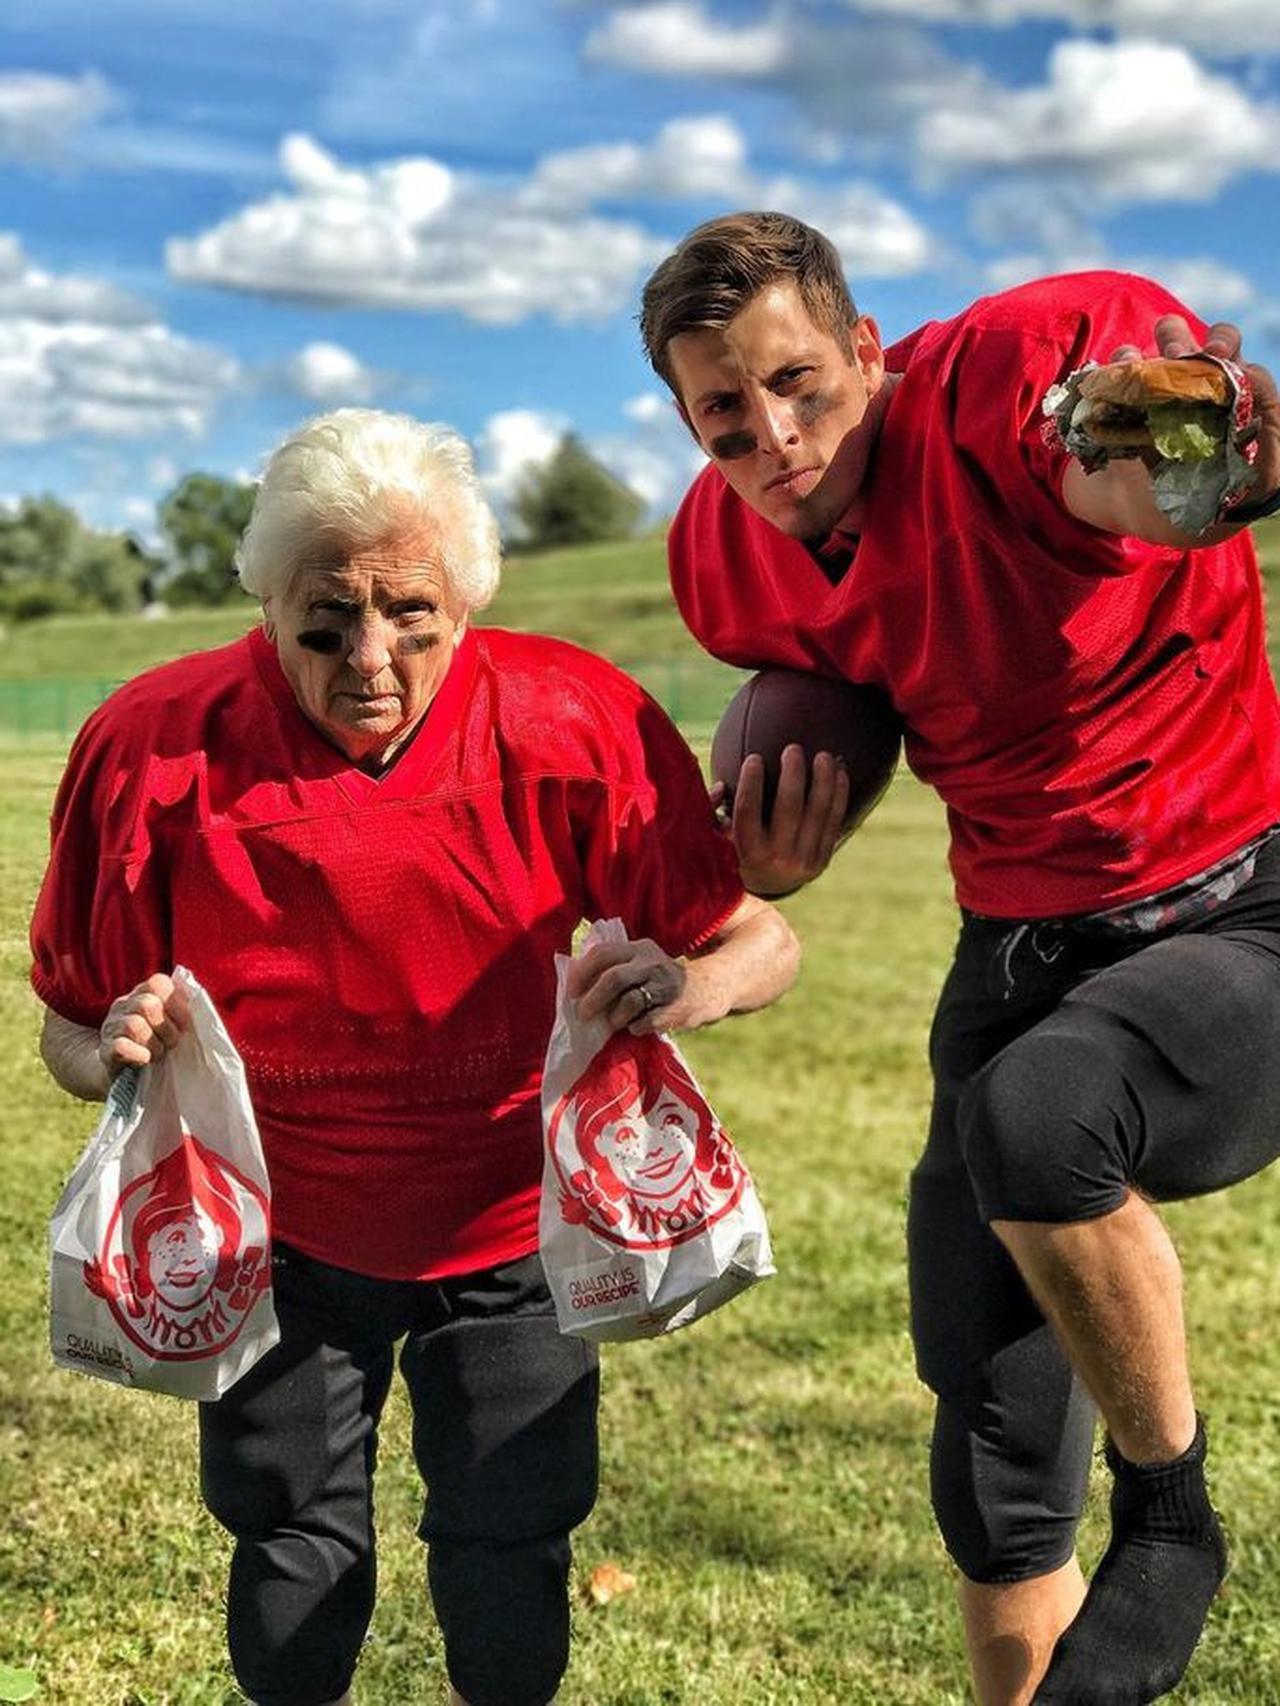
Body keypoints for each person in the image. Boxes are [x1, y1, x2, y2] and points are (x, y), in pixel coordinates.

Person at [31, 408, 800, 1706]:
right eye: (326, 622)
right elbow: (65, 1020)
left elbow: (757, 938)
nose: (371, 660)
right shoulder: (151, 746)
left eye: (413, 615)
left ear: (469, 601)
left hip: (510, 1217)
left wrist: (693, 984)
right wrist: (109, 1044)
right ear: (266, 598)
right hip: (276, 1219)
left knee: (512, 1534)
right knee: (289, 1531)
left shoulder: (574, 717)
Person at [639, 211, 1280, 1705]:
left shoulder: (1010, 388)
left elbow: (1111, 450)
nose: (774, 435)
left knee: (1040, 1115)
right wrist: (785, 855)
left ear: (870, 352)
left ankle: (1174, 1518)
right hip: (1022, 936)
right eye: (725, 412)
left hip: (1235, 898)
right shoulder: (722, 554)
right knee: (990, 1435)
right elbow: (851, 683)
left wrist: (1193, 447)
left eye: (801, 382)